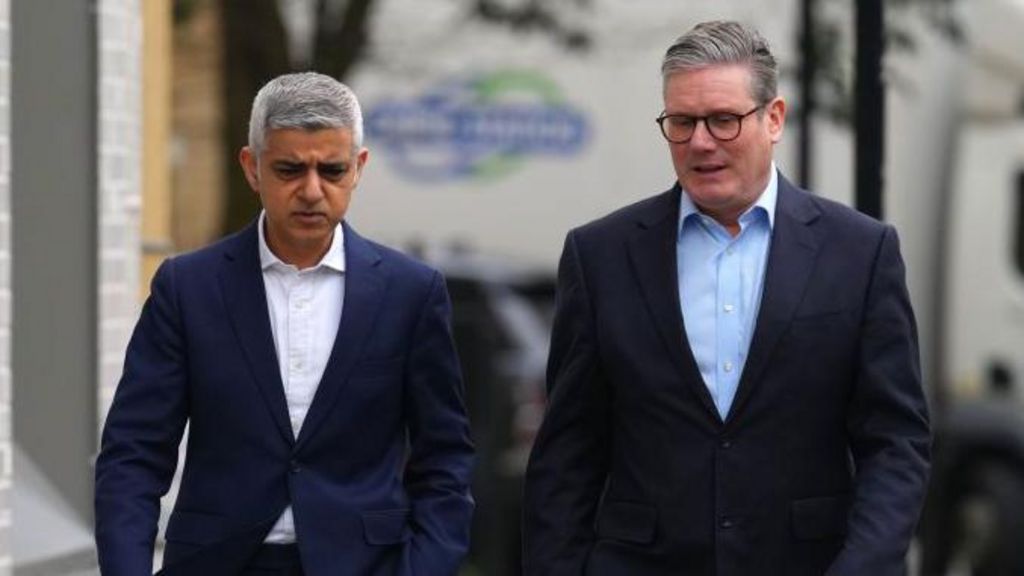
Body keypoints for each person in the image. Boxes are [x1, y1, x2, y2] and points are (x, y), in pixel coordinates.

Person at [523, 20, 930, 576]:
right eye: (682, 122)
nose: (700, 142)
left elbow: (895, 443)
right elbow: (567, 456)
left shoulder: (859, 253)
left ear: (774, 119)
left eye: (722, 119)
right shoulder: (601, 256)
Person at [95, 72, 474, 576]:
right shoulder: (188, 288)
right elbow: (133, 455)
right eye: (290, 169)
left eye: (332, 170)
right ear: (252, 168)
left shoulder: (411, 293)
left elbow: (444, 459)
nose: (313, 191)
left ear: (359, 167)